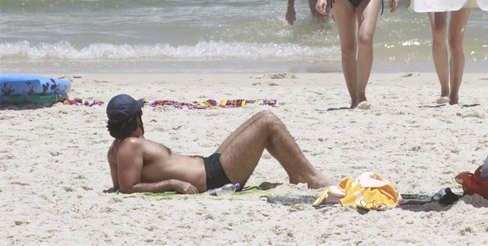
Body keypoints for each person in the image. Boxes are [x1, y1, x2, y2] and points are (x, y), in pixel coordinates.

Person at [106, 94, 335, 194]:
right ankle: (313, 178)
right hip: (215, 177)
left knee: (259, 120)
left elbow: (119, 184)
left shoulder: (117, 149)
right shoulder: (130, 146)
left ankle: (297, 175)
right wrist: (172, 183)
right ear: (137, 118)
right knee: (267, 121)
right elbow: (127, 188)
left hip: (211, 165)